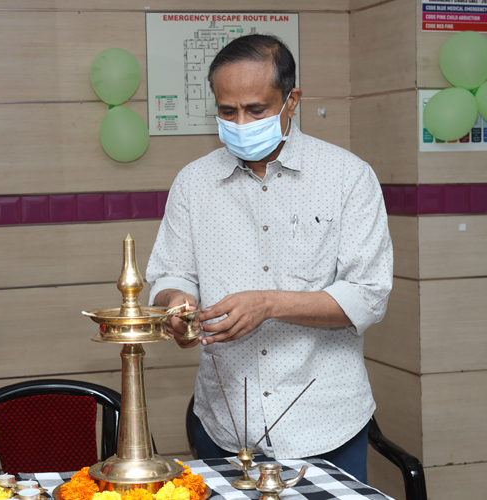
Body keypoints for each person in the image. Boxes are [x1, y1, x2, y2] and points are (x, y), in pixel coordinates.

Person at [146, 35, 392, 483]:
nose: (241, 123)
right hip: (224, 420)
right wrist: (176, 306)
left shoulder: (347, 177)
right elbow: (169, 273)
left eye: (256, 110)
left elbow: (368, 296)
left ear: (291, 101)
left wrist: (269, 304)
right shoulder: (193, 182)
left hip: (325, 422)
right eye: (227, 111)